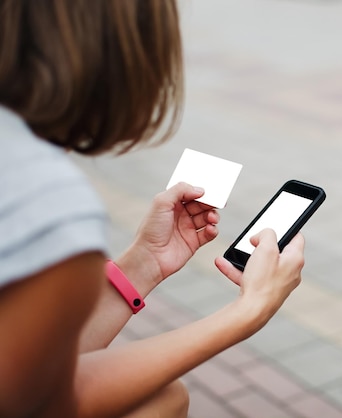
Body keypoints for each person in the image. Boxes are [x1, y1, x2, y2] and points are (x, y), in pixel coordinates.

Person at [0, 1, 305, 417]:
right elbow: (46, 400)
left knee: (165, 396)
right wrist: (248, 311)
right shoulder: (46, 199)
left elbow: (27, 365)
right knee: (163, 401)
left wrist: (145, 264)